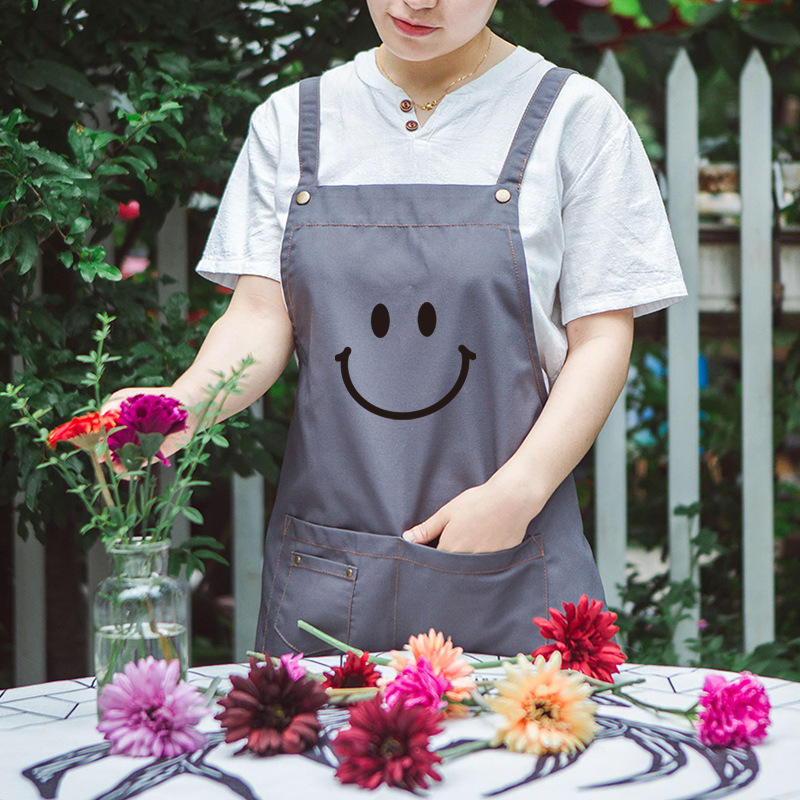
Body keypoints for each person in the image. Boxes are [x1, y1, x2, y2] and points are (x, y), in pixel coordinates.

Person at [108, 0, 687, 657]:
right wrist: (171, 409)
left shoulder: (575, 119)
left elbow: (602, 340)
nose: (418, 2)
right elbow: (260, 318)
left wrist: (517, 492)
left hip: (513, 558)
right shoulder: (294, 122)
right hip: (326, 570)